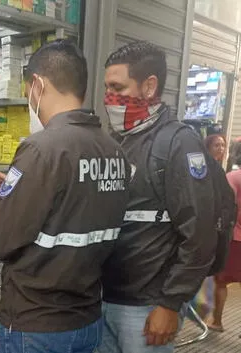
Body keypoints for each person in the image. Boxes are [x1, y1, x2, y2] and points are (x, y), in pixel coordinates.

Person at [0, 40, 130, 353]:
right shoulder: (114, 151)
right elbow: (74, 206)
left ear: (37, 85)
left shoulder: (41, 149)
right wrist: (22, 188)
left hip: (37, 324)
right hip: (86, 319)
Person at [99, 41, 218, 353]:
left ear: (149, 86)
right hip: (104, 298)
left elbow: (200, 233)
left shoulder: (179, 144)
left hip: (146, 307)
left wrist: (169, 303)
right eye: (107, 87)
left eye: (117, 87)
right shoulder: (118, 141)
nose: (109, 97)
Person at [208, 142, 241, 332]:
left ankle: (217, 322)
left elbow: (225, 208)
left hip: (235, 239)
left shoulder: (233, 177)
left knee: (221, 282)